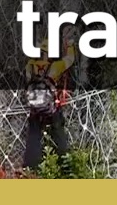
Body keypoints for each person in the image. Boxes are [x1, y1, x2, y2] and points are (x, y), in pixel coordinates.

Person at [22, 21, 78, 170]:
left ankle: (30, 169)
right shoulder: (55, 66)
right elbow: (70, 60)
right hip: (53, 109)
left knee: (33, 138)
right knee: (59, 136)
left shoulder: (30, 66)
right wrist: (70, 45)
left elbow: (27, 84)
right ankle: (66, 168)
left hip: (34, 110)